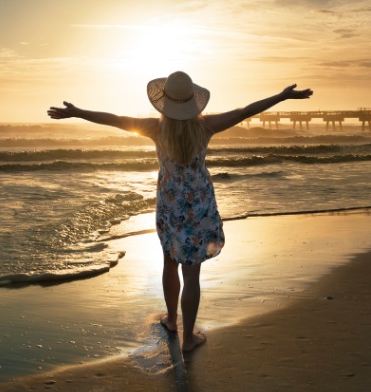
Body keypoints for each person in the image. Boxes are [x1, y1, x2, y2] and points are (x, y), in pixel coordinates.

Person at [47, 71, 313, 352]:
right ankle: (188, 340)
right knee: (192, 275)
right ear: (193, 102)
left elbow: (114, 119)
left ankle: (172, 321)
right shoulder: (206, 126)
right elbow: (246, 111)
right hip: (199, 204)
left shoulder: (155, 128)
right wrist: (282, 96)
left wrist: (77, 113)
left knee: (169, 263)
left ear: (166, 101)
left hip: (170, 205)